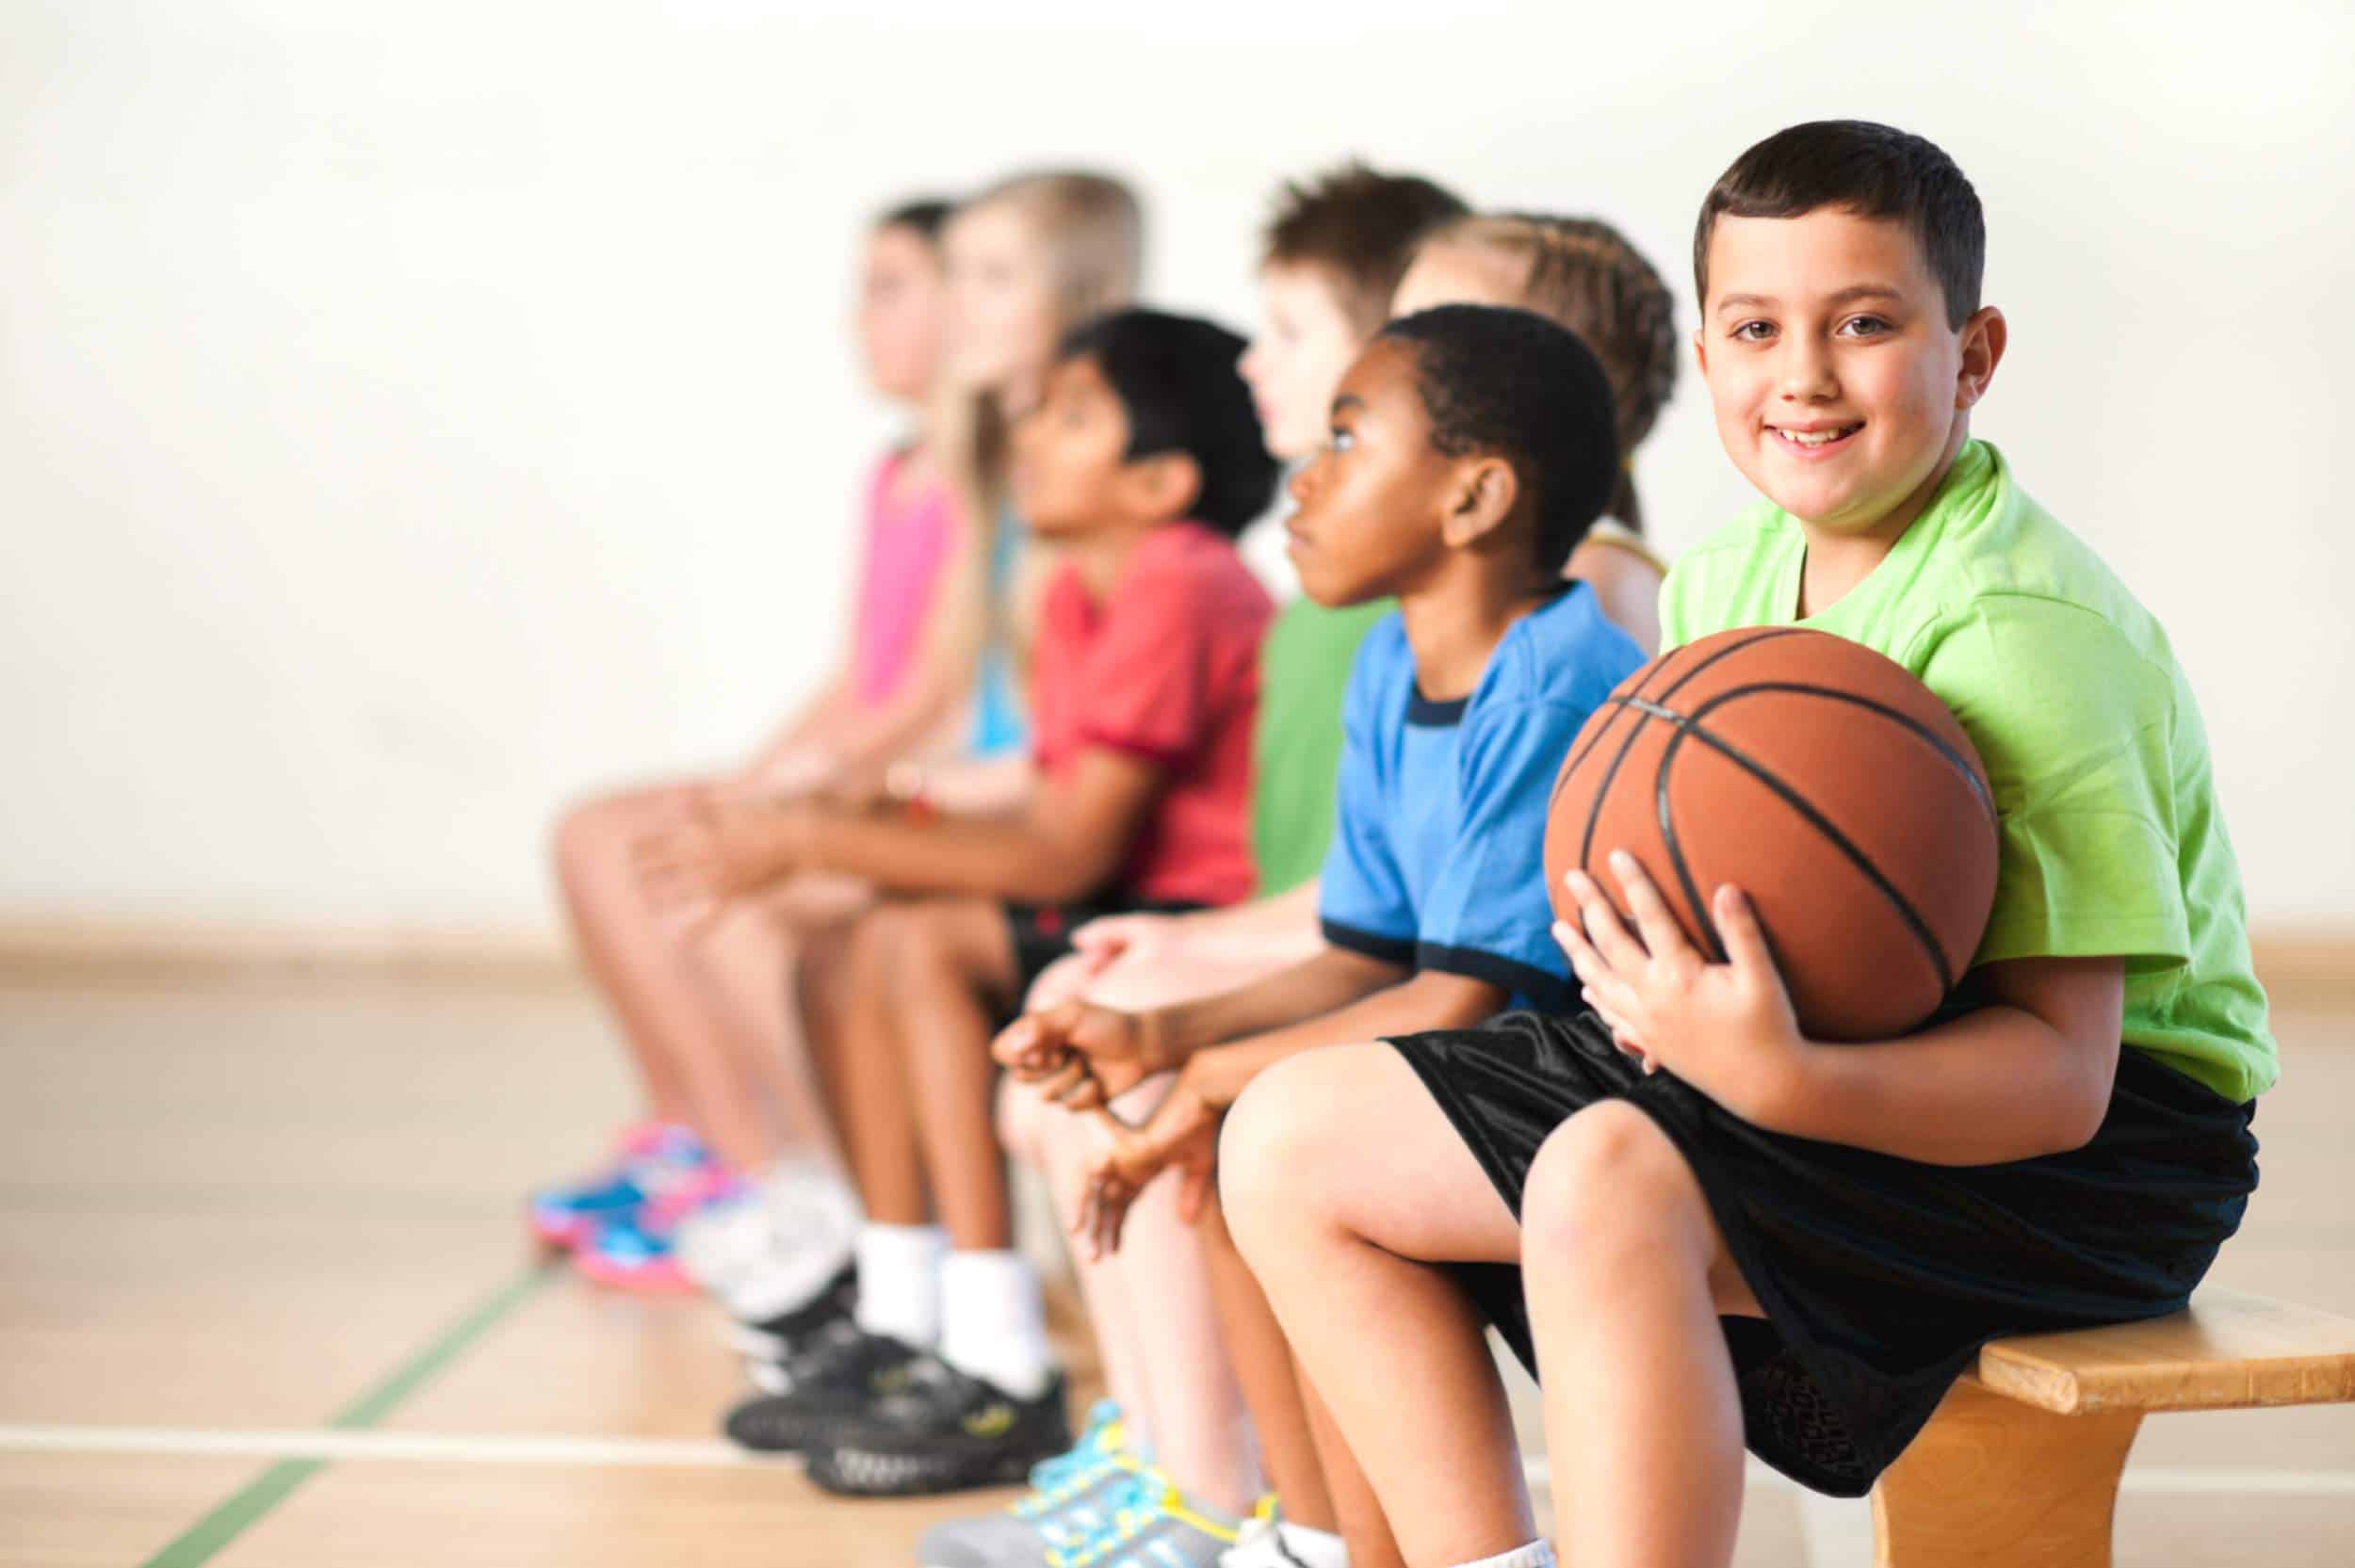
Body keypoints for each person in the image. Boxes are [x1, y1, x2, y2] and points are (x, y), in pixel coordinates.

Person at [1224, 121, 2274, 1568]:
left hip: (2100, 1152)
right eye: (1757, 327)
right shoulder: (1724, 576)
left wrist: (1779, 1071)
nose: (1805, 375)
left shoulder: (2029, 636)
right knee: (1289, 1137)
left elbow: (2065, 1076)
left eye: (1865, 323)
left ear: (1972, 357)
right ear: (1707, 363)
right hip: (1790, 1050)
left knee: (1604, 1174)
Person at [1001, 304, 1646, 1566]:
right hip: (1477, 1063)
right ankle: (1308, 1540)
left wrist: (1198, 1078)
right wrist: (1150, 1033)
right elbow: (1365, 951)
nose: (1305, 476)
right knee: (1228, 1148)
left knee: (1253, 1134)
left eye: (1348, 439)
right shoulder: (1386, 663)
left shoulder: (1553, 679)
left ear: (1473, 496)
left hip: (1589, 1097)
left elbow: (1463, 1002)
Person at [648, 308, 1280, 1496]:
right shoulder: (1085, 583)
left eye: (1073, 416)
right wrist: (862, 813)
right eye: (1041, 409)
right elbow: (1048, 782)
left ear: (1160, 481)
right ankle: (910, 1314)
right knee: (845, 940)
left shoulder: (1181, 583)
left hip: (1191, 919)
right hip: (1120, 890)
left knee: (908, 933)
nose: (1031, 434)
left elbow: (1061, 852)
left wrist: (805, 835)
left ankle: (998, 1361)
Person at [532, 197, 972, 1291]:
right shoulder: (893, 473)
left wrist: (793, 802)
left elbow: (933, 694)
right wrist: (756, 779)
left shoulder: (980, 486)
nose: (857, 315)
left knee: (709, 881)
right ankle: (690, 1130)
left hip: (922, 787)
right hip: (853, 770)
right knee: (596, 834)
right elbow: (858, 672)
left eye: (889, 287)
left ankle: (767, 1170)